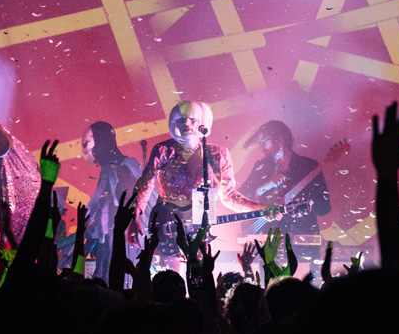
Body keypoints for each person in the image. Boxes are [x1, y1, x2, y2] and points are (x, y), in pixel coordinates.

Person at [132, 101, 277, 257]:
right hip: (168, 224)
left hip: (202, 225)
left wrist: (259, 208)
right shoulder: (163, 151)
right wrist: (133, 218)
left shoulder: (218, 154)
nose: (186, 123)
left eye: (192, 120)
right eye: (181, 120)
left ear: (202, 122)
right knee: (171, 276)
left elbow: (228, 196)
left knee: (201, 273)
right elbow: (144, 186)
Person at [238, 120, 332, 264]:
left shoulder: (309, 166)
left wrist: (298, 203)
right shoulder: (261, 166)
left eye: (264, 141)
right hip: (266, 238)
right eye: (260, 143)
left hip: (302, 240)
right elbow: (240, 197)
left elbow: (324, 207)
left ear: (280, 138)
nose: (261, 147)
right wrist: (263, 187)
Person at [79, 121, 142, 282]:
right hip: (111, 233)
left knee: (116, 271)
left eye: (87, 144)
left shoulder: (122, 167)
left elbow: (129, 200)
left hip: (121, 233)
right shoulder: (112, 168)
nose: (85, 151)